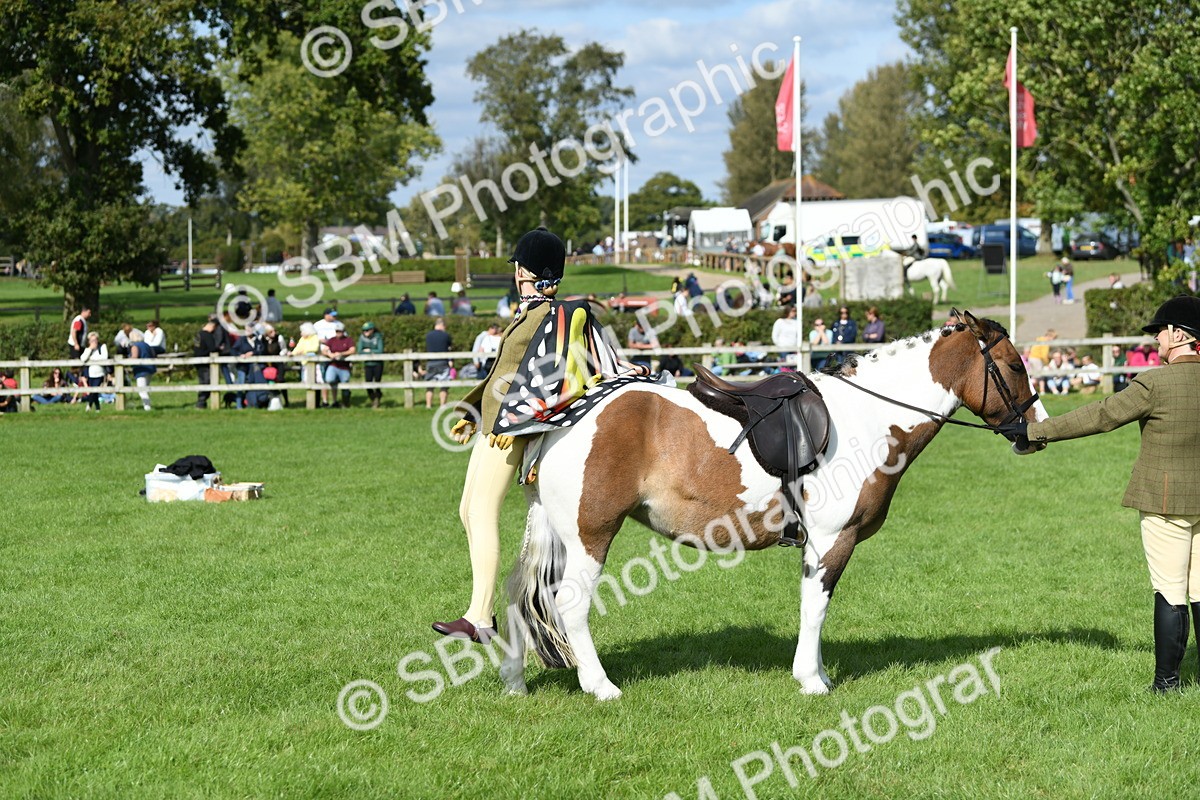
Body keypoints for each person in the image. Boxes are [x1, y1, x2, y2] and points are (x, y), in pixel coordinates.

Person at [434, 226, 649, 643]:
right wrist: (474, 411)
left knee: (481, 512)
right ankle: (480, 616)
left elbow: (554, 379)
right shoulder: (526, 313)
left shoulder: (555, 317)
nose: (515, 273)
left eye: (518, 266)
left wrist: (516, 422)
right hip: (492, 424)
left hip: (510, 429)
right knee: (466, 510)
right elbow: (504, 373)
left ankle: (479, 617)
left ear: (525, 271)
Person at [1004, 296, 1200, 693]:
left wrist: (1034, 430)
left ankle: (1166, 684)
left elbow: (1100, 415)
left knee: (1170, 591)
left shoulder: (1155, 383)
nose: (1157, 339)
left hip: (1164, 502)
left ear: (1179, 335)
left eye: (1160, 332)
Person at [321, 321, 356, 408]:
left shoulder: (348, 340)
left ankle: (346, 402)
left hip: (344, 366)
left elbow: (352, 350)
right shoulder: (332, 340)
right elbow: (324, 350)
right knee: (329, 379)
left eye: (340, 331)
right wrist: (330, 354)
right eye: (337, 331)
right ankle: (334, 401)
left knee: (345, 384)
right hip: (334, 364)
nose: (338, 333)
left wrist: (341, 354)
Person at [193, 315, 222, 408]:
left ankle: (201, 402)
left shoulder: (198, 334)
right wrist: (219, 348)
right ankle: (201, 402)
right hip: (205, 362)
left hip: (197, 361)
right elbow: (212, 348)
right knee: (207, 382)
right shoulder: (208, 335)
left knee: (202, 381)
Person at [423, 317, 452, 409]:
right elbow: (449, 348)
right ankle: (442, 405)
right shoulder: (446, 335)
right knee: (444, 385)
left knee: (430, 385)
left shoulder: (428, 336)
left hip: (431, 362)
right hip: (443, 362)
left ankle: (428, 405)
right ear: (442, 325)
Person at [127, 329, 156, 410]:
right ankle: (147, 405)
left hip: (141, 370)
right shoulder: (146, 345)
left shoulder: (135, 346)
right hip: (150, 368)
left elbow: (134, 357)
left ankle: (147, 407)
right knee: (146, 388)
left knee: (141, 390)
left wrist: (126, 361)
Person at [79, 331, 108, 411]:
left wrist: (92, 359)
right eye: (92, 340)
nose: (94, 342)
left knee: (94, 391)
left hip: (100, 373)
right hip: (91, 374)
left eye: (95, 340)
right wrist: (90, 349)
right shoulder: (88, 349)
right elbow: (83, 358)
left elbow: (104, 357)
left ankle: (89, 405)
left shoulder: (102, 347)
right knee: (93, 391)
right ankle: (97, 408)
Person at [358, 321, 385, 408]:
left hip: (378, 363)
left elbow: (380, 350)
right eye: (364, 330)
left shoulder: (378, 337)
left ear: (372, 330)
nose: (365, 332)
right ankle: (373, 398)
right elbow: (360, 351)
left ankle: (377, 399)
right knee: (368, 383)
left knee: (377, 382)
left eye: (367, 330)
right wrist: (370, 352)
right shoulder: (362, 338)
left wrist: (369, 351)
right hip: (368, 364)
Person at [771, 305, 800, 371]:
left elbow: (797, 336)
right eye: (793, 311)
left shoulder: (796, 322)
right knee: (784, 368)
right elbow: (774, 335)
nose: (794, 313)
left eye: (795, 311)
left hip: (793, 348)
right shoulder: (780, 321)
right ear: (788, 311)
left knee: (793, 368)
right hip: (783, 349)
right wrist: (779, 345)